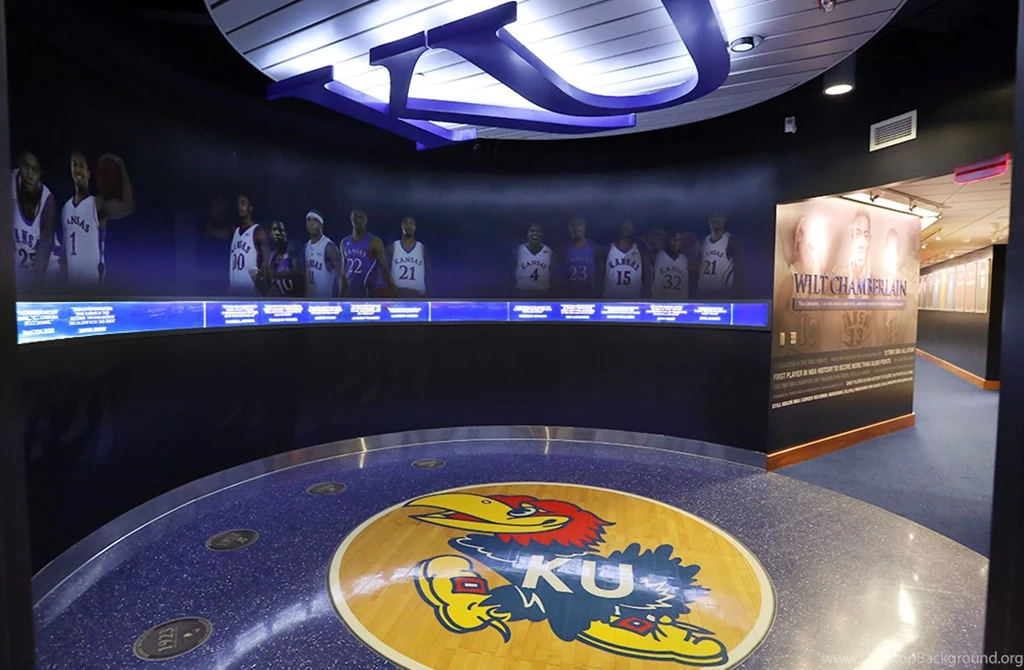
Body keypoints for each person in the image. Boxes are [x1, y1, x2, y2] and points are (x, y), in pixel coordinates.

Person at [60, 151, 134, 292]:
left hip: (93, 287)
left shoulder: (97, 203)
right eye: (74, 164)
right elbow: (65, 251)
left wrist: (120, 165)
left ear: (89, 173)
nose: (77, 169)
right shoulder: (66, 208)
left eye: (82, 165)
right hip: (70, 288)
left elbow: (127, 206)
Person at [12, 150, 60, 293]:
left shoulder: (48, 201)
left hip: (44, 267)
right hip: (17, 269)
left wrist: (35, 289)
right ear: (19, 164)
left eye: (35, 170)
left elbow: (45, 246)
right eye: (26, 167)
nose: (30, 175)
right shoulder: (7, 183)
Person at [222, 194, 270, 297]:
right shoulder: (235, 232)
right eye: (238, 204)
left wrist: (262, 285)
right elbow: (213, 232)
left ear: (250, 208)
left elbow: (266, 265)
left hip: (251, 293)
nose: (239, 206)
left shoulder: (258, 232)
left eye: (243, 203)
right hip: (233, 293)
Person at [341, 209, 394, 298]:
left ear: (366, 220)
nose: (358, 220)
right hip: (350, 295)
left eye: (361, 218)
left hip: (368, 294)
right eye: (355, 217)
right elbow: (343, 275)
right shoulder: (344, 242)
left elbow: (386, 272)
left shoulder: (374, 242)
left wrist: (396, 295)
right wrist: (340, 297)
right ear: (351, 218)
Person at [697, 214, 738, 298]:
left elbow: (740, 268)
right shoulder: (703, 241)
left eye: (719, 216)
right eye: (713, 217)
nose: (715, 220)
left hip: (721, 293)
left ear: (725, 220)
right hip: (702, 293)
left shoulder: (730, 241)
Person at [562, 217, 602, 298]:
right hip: (569, 296)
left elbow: (601, 273)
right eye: (573, 225)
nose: (576, 228)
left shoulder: (595, 248)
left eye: (579, 225)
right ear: (569, 228)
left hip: (590, 295)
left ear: (584, 226)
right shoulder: (563, 249)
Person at [603, 220, 644, 299]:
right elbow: (600, 272)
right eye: (624, 225)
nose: (626, 228)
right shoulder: (608, 248)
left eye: (629, 226)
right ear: (619, 228)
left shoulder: (640, 249)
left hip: (634, 299)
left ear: (633, 229)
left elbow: (647, 273)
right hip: (611, 298)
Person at [389, 216, 429, 297]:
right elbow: (385, 271)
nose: (408, 226)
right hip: (397, 294)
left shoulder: (422, 248)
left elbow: (429, 273)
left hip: (418, 294)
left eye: (411, 223)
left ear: (415, 227)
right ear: (402, 226)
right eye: (406, 223)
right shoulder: (393, 246)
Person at [304, 210, 340, 298]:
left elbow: (341, 276)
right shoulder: (306, 246)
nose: (311, 223)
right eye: (309, 220)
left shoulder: (329, 246)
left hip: (327, 302)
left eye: (315, 220)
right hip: (310, 301)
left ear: (321, 225)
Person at [512, 224, 554, 296]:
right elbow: (511, 270)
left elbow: (552, 272)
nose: (535, 233)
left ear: (542, 234)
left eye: (538, 231)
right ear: (527, 234)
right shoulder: (518, 250)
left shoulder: (549, 251)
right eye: (532, 231)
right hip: (522, 292)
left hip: (543, 293)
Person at [267, 221, 305, 297]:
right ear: (270, 234)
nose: (277, 233)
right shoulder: (272, 255)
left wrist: (275, 274)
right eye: (274, 230)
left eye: (280, 230)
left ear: (286, 233)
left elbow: (298, 273)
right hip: (280, 302)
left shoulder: (293, 247)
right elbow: (273, 284)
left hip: (295, 300)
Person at [650, 232, 689, 300]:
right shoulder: (658, 256)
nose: (676, 243)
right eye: (674, 239)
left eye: (679, 240)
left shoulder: (684, 260)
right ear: (668, 240)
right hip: (659, 300)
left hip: (679, 301)